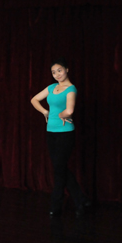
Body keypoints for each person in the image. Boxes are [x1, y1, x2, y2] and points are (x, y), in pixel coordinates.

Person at [31, 60, 88, 217]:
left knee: (59, 169)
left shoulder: (71, 89)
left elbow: (69, 110)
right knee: (59, 168)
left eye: (59, 70)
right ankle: (81, 199)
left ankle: (56, 205)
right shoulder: (51, 87)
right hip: (51, 132)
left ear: (67, 70)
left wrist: (61, 115)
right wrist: (45, 112)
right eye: (54, 72)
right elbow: (34, 99)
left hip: (65, 133)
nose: (57, 74)